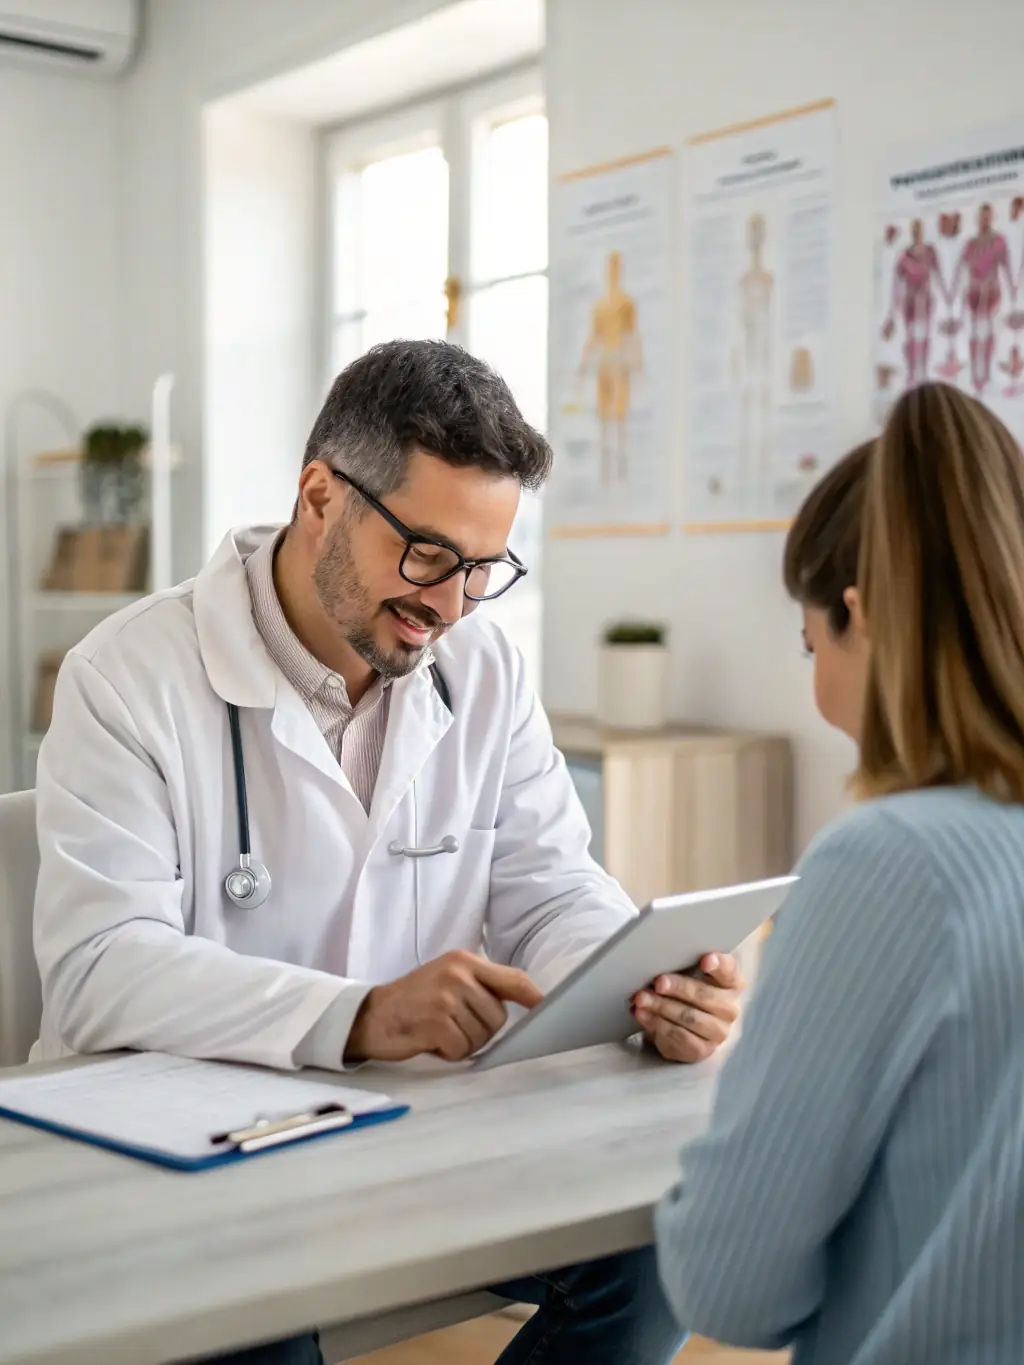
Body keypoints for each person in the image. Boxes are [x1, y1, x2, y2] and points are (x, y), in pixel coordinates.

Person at [33, 340, 745, 1365]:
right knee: (248, 1324)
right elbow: (102, 968)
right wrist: (358, 1017)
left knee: (663, 1242)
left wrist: (638, 981)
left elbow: (550, 887)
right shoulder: (128, 676)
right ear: (319, 496)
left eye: (482, 570)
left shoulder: (483, 671)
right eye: (426, 555)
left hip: (421, 1130)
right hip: (198, 1159)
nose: (450, 605)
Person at [655, 381, 1024, 1364]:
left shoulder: (885, 865)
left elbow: (729, 1286)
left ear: (856, 616)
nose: (815, 679)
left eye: (809, 642)